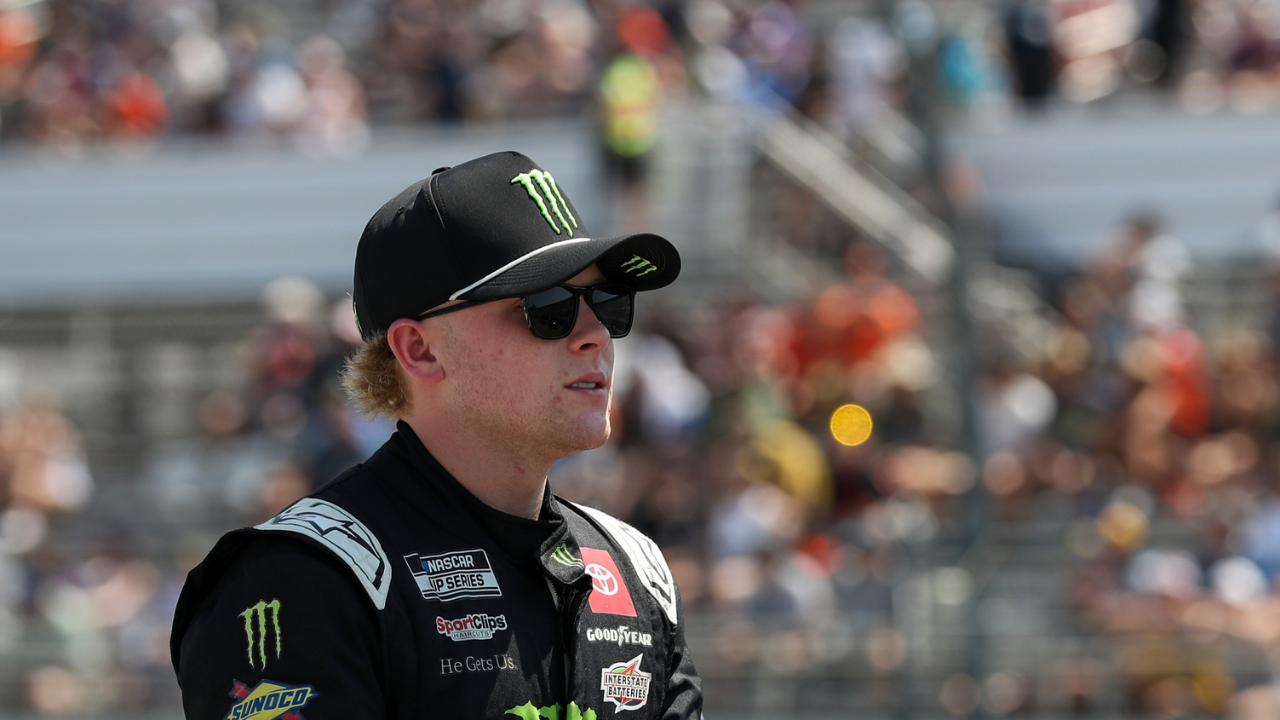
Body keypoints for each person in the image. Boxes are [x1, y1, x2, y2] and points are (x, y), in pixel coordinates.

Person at [169, 150, 704, 720]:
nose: (595, 333)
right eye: (548, 307)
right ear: (419, 351)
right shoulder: (299, 580)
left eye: (607, 301)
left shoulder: (635, 569)